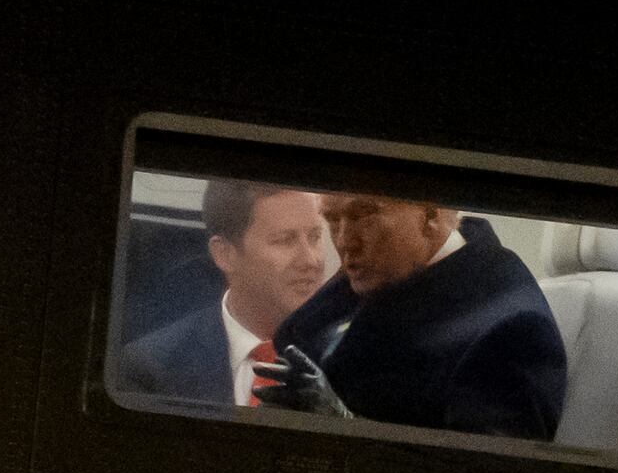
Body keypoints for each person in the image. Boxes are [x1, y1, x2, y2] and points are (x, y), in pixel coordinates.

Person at [257, 193, 566, 441]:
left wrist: (345, 425)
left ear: (430, 214)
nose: (344, 241)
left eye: (364, 214)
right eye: (333, 219)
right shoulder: (388, 273)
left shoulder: (510, 327)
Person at [119, 179, 328, 407]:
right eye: (285, 240)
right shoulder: (150, 367)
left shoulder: (351, 362)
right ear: (224, 254)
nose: (311, 260)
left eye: (315, 237)